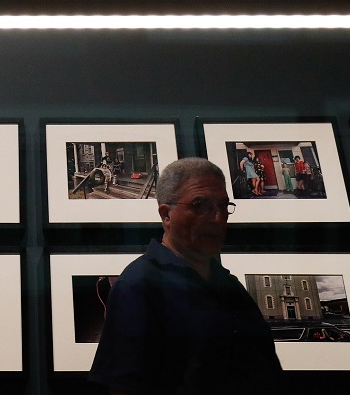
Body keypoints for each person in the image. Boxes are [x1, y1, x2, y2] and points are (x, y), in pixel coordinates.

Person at [88, 157, 282, 393]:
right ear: (166, 215)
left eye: (223, 205)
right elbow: (124, 386)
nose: (218, 218)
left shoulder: (229, 284)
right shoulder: (139, 285)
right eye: (199, 205)